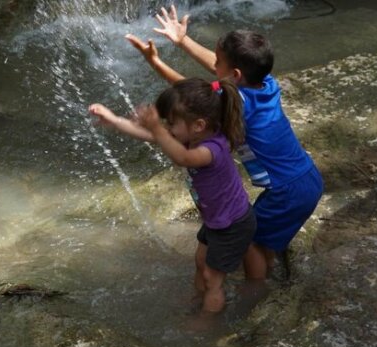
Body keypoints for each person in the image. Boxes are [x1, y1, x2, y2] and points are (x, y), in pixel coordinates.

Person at [125, 5, 324, 282]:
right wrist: (183, 41)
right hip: (306, 177)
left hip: (286, 190)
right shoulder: (266, 83)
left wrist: (155, 62)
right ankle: (265, 271)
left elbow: (194, 100)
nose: (214, 65)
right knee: (263, 241)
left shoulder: (237, 104)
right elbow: (224, 75)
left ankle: (255, 292)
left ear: (236, 75)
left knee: (250, 241)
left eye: (219, 61)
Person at [89, 77, 256, 314]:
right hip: (216, 220)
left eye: (172, 123)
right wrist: (114, 120)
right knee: (201, 263)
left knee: (212, 278)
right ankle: (199, 299)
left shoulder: (211, 149)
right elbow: (150, 136)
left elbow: (183, 159)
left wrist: (156, 128)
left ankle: (208, 320)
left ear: (198, 125)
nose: (168, 128)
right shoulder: (192, 136)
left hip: (232, 224)